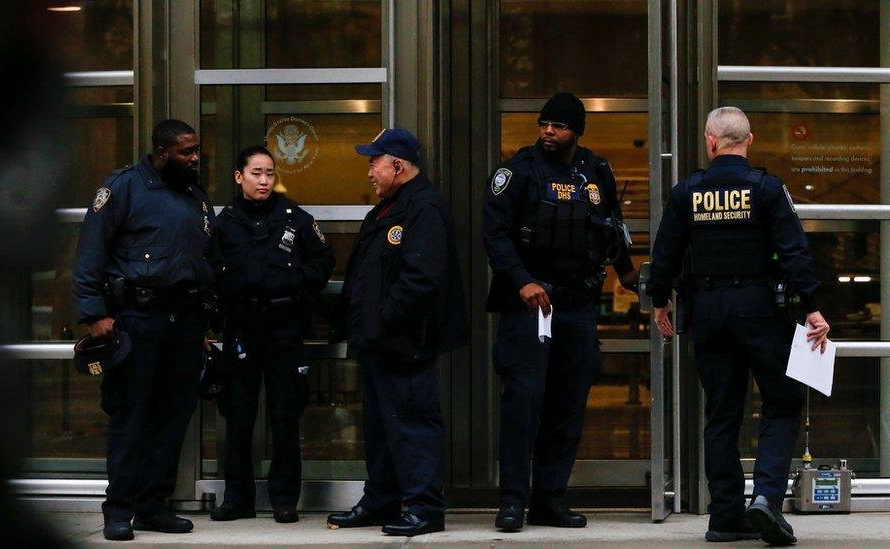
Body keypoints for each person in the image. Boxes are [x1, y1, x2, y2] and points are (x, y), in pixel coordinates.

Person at [648, 107, 830, 546]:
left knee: (722, 412)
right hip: (759, 309)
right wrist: (812, 307)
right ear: (749, 141)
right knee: (782, 403)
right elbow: (794, 251)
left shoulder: (687, 190)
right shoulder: (767, 189)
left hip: (708, 312)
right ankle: (766, 499)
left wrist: (659, 302)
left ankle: (724, 516)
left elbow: (664, 254)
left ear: (711, 142)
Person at [483, 92, 637, 532]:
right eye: (544, 123)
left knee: (567, 407)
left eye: (559, 126)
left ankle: (549, 499)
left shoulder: (597, 171)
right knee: (523, 404)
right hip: (530, 306)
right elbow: (494, 234)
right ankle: (512, 502)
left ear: (577, 131)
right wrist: (522, 280)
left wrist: (629, 275)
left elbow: (612, 228)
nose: (548, 131)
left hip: (578, 307)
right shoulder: (516, 172)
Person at [72, 119, 217, 541]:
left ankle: (154, 506)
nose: (194, 158)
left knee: (172, 418)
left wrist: (204, 324)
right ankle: (119, 509)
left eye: (195, 151)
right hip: (137, 318)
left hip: (184, 322)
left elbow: (203, 259)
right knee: (132, 416)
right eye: (186, 152)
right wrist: (95, 315)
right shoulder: (122, 188)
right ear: (161, 152)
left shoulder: (193, 194)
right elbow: (89, 255)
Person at [326, 128, 468, 537]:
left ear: (398, 166)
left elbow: (421, 280)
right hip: (378, 342)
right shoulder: (386, 210)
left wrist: (385, 320)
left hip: (405, 342)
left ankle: (425, 507)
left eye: (375, 162)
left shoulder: (423, 208)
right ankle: (381, 499)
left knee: (412, 422)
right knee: (381, 426)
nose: (370, 171)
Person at [210, 146, 334, 524]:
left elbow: (323, 261)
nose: (264, 180)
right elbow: (207, 270)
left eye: (269, 173)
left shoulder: (295, 218)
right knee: (238, 418)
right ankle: (237, 499)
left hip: (284, 328)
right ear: (239, 176)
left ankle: (284, 499)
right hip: (242, 328)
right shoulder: (224, 222)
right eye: (256, 173)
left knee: (284, 416)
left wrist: (295, 281)